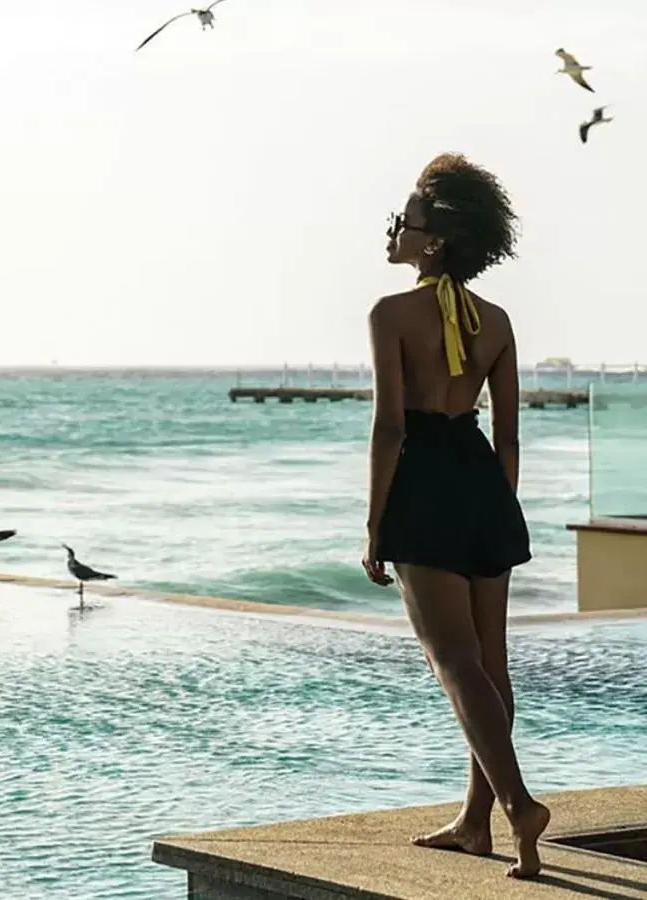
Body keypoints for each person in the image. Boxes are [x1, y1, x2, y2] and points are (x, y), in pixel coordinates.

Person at [360, 152, 550, 879]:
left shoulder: (390, 314)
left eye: (401, 221)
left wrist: (376, 524)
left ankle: (517, 804)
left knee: (452, 661)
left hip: (426, 488)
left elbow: (390, 429)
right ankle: (476, 823)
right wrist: (500, 508)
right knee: (488, 664)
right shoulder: (497, 322)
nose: (392, 232)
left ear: (432, 239)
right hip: (482, 485)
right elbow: (507, 437)